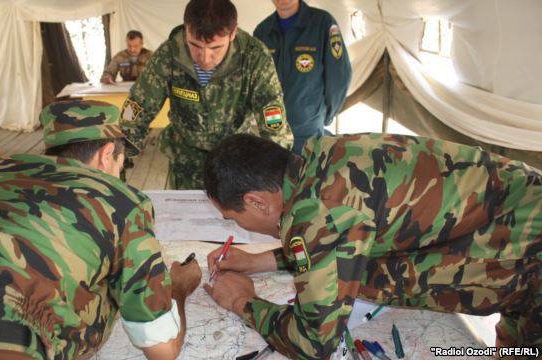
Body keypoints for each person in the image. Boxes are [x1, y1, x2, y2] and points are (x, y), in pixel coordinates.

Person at [0, 100, 202, 359]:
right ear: (107, 153)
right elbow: (162, 351)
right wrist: (176, 290)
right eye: (121, 164)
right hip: (0, 336)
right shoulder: (121, 202)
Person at [203, 133, 542, 358]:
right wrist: (260, 261)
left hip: (528, 255)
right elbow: (342, 244)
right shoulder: (320, 158)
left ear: (257, 201)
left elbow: (314, 342)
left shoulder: (319, 211)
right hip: (516, 228)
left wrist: (241, 301)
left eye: (234, 218)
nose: (238, 226)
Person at [120, 0, 293, 190]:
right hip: (186, 161)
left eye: (215, 48)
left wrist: (274, 176)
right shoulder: (169, 54)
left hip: (238, 162)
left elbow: (273, 122)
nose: (204, 58)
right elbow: (136, 108)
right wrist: (118, 156)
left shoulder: (254, 57)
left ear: (233, 33)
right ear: (186, 29)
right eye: (195, 45)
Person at [254, 0, 352, 154]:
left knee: (308, 177)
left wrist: (326, 115)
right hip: (271, 134)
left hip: (307, 134)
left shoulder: (322, 23)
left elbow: (339, 76)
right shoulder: (263, 31)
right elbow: (256, 83)